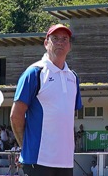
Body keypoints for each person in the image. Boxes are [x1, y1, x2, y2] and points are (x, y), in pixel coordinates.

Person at [10, 23, 83, 176]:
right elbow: (16, 116)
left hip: (65, 161)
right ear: (46, 43)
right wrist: (26, 147)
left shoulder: (73, 77)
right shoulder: (34, 73)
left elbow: (68, 117)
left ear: (69, 46)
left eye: (64, 39)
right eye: (55, 38)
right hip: (38, 160)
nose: (60, 43)